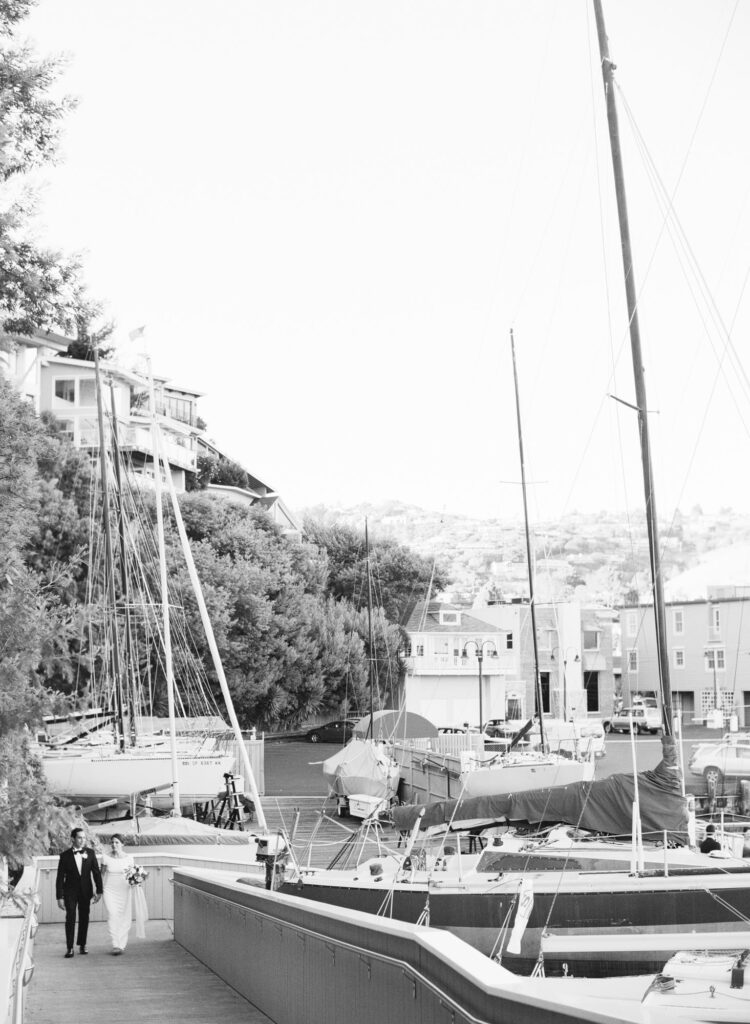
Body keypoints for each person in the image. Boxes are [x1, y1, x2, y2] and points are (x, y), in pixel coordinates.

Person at [55, 826, 103, 958]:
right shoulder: (64, 856)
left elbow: (96, 873)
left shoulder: (91, 853)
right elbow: (60, 878)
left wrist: (99, 891)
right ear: (73, 839)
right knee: (70, 918)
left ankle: (82, 944)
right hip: (69, 892)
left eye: (84, 838)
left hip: (86, 891)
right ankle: (69, 948)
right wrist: (59, 897)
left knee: (84, 918)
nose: (82, 840)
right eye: (79, 838)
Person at [101, 834, 135, 954]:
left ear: (122, 844)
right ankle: (115, 944)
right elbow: (101, 875)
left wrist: (137, 880)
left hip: (124, 889)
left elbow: (132, 875)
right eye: (112, 842)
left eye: (116, 842)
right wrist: (98, 890)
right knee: (112, 914)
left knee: (124, 916)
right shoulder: (105, 857)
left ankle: (122, 944)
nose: (114, 845)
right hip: (109, 890)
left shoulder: (129, 858)